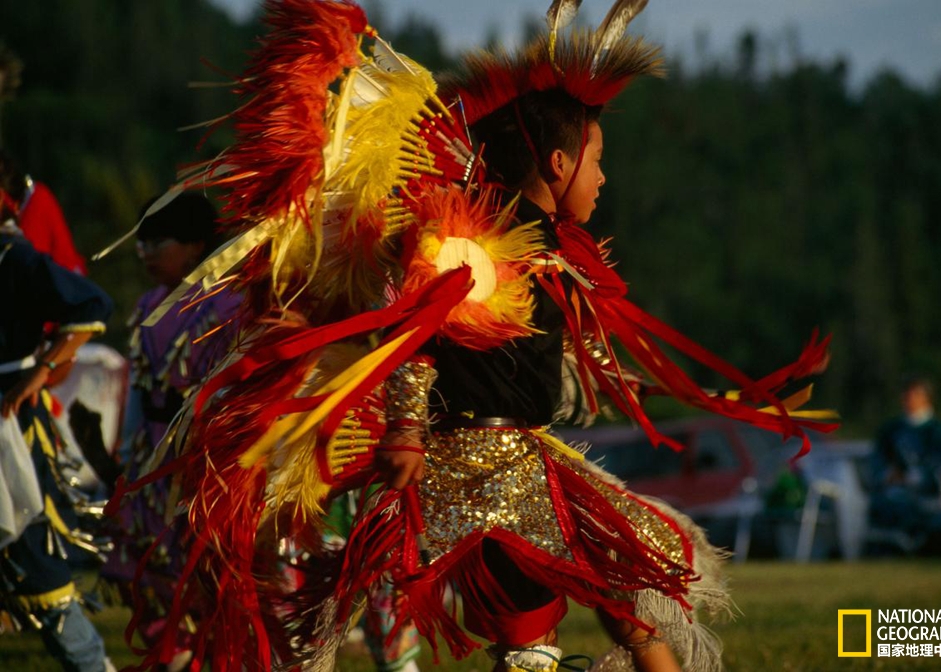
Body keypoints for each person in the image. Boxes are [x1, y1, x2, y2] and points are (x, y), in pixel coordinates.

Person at [109, 2, 834, 671]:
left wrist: (734, 395)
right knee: (562, 630)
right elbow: (411, 336)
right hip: (484, 472)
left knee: (631, 606)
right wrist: (402, 431)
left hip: (528, 459)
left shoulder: (547, 254)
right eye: (598, 160)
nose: (605, 178)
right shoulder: (474, 245)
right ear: (557, 164)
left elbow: (581, 374)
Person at [92, 193, 241, 671]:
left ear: (196, 245)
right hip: (150, 461)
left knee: (209, 579)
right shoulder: (149, 306)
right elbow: (137, 392)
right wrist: (125, 464)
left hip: (203, 462)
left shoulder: (231, 303)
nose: (145, 253)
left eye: (158, 242)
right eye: (141, 243)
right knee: (155, 575)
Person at [0, 161, 114, 671]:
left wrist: (42, 369)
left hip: (11, 432)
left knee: (37, 567)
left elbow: (91, 303)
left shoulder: (13, 255)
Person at [869, 376, 941, 551]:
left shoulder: (938, 431)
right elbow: (878, 460)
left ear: (926, 398)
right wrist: (888, 475)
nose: (909, 400)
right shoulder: (892, 429)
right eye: (906, 395)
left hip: (927, 494)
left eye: (915, 395)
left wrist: (914, 478)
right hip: (893, 492)